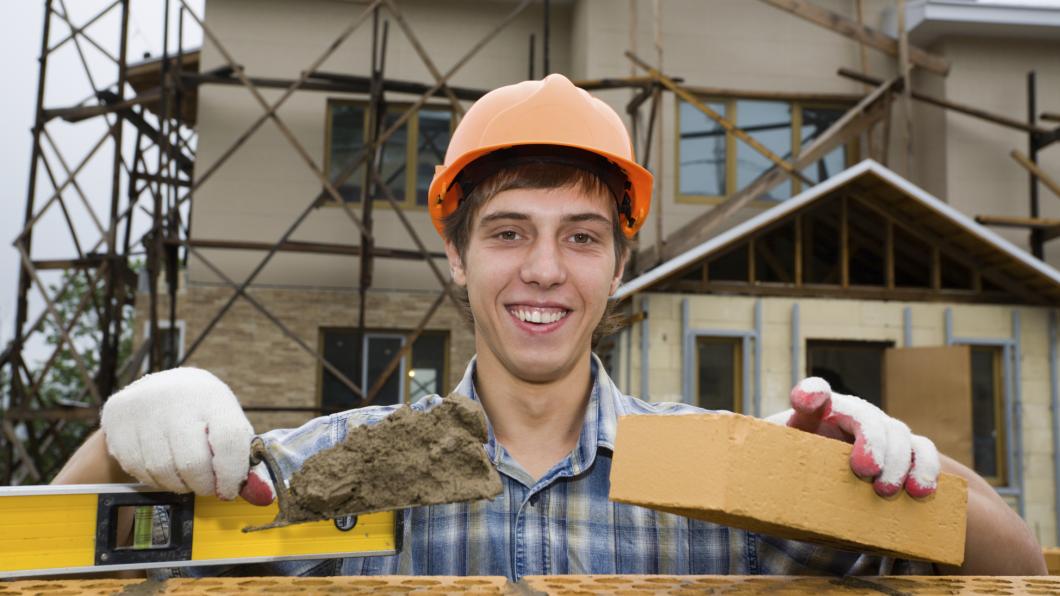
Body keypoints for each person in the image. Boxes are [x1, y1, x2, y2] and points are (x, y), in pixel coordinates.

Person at [54, 74, 1046, 579]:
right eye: (507, 232)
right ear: (455, 254)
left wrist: (912, 473)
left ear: (619, 264)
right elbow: (52, 568)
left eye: (580, 235)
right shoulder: (341, 470)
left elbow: (1019, 573)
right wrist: (118, 440)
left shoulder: (726, 480)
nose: (541, 268)